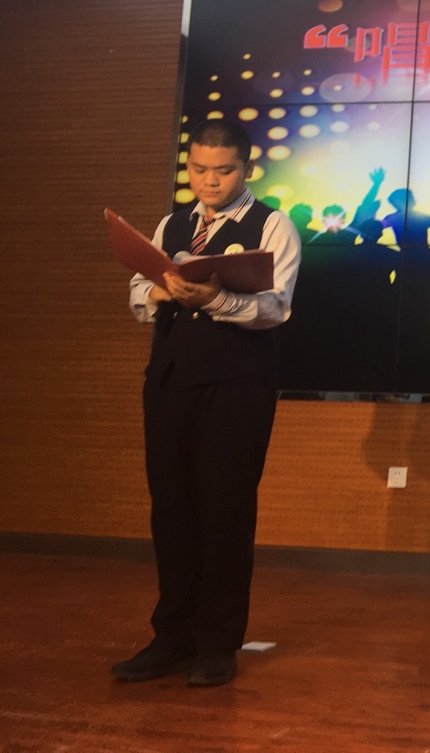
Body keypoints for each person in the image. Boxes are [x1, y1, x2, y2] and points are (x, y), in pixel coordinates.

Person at [112, 118, 302, 688]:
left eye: (223, 171)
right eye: (198, 169)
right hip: (170, 379)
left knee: (224, 510)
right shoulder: (173, 223)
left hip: (237, 383)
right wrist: (159, 289)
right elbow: (138, 293)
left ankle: (218, 643)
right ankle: (171, 637)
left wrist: (216, 297)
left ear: (247, 169)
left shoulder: (272, 224)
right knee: (171, 509)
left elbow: (277, 307)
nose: (209, 181)